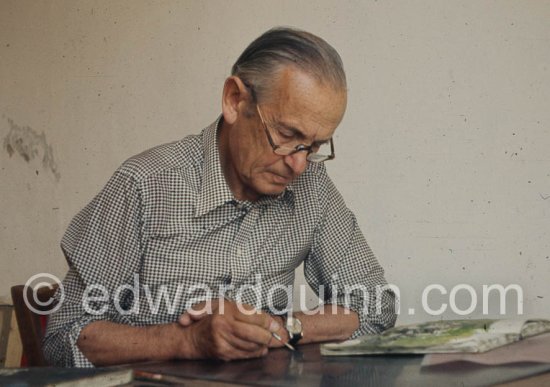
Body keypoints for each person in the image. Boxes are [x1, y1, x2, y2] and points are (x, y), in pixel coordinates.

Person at [44, 27, 397, 367]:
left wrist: (281, 327)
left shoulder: (311, 187)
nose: (299, 164)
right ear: (234, 100)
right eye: (287, 134)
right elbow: (63, 339)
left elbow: (374, 304)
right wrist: (185, 342)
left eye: (314, 146)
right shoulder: (144, 185)